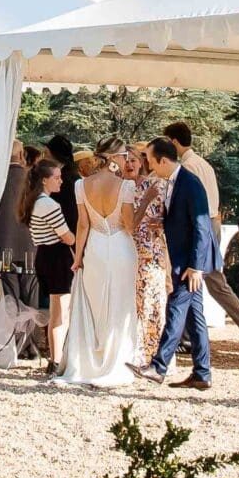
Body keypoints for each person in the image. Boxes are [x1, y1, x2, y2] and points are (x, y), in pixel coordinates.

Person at [163, 120, 239, 357]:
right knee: (213, 284)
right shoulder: (204, 164)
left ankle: (191, 338)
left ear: (173, 142)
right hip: (212, 223)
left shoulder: (188, 168)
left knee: (196, 280)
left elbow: (191, 206)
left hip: (200, 228)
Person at [133, 137, 219, 392]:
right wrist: (162, 223)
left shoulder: (190, 183)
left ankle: (158, 367)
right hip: (184, 259)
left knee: (176, 310)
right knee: (194, 317)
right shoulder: (173, 181)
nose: (148, 165)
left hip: (189, 263)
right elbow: (181, 219)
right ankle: (202, 373)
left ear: (162, 160)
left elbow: (202, 226)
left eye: (150, 160)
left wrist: (196, 266)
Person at [54, 152, 141, 388]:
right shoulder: (126, 186)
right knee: (119, 303)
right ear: (112, 160)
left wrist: (78, 257)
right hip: (121, 247)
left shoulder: (81, 185)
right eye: (123, 157)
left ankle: (91, 360)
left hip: (95, 248)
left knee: (95, 304)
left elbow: (82, 224)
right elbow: (129, 225)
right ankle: (117, 360)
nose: (125, 162)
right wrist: (144, 204)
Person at [123, 144, 172, 363]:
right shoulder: (119, 187)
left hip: (151, 252)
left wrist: (161, 222)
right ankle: (131, 354)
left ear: (141, 162)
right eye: (125, 160)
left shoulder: (155, 185)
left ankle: (154, 358)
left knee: (152, 304)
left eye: (133, 160)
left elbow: (169, 214)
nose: (129, 164)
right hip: (126, 251)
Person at [27, 158, 75, 370]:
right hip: (57, 257)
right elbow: (67, 237)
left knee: (57, 311)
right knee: (61, 314)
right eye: (56, 178)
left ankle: (55, 358)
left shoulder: (34, 202)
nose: (60, 181)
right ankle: (56, 360)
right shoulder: (48, 204)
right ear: (45, 180)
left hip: (45, 255)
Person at [0, 138, 40, 331]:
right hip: (31, 244)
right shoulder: (33, 180)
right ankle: (29, 337)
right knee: (31, 291)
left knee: (9, 293)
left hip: (3, 243)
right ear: (21, 155)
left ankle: (10, 335)